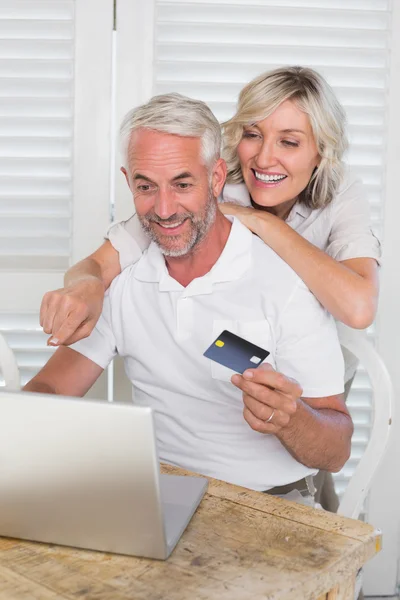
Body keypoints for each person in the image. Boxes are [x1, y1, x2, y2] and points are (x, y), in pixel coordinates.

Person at [26, 93, 353, 498]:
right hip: (156, 494)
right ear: (129, 182)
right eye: (146, 186)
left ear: (217, 179)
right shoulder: (124, 279)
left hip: (268, 503)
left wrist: (290, 419)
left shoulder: (286, 285)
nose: (164, 209)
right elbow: (52, 390)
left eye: (182, 184)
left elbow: (336, 452)